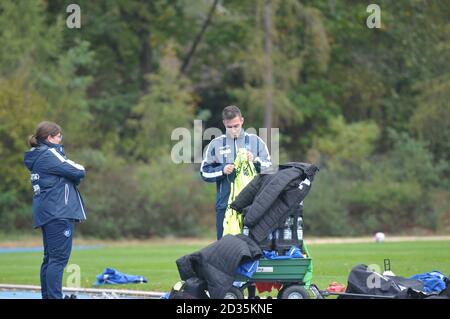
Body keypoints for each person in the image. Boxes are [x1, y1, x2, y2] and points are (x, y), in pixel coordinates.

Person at [23, 121, 87, 299]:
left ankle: (49, 297)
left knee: (50, 259)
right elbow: (78, 170)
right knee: (58, 260)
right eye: (59, 136)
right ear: (50, 137)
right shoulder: (49, 153)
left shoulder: (38, 155)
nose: (61, 139)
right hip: (59, 212)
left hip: (48, 212)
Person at [200, 105, 271, 240]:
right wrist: (222, 170)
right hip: (225, 205)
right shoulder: (215, 144)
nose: (233, 130)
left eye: (236, 126)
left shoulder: (256, 141)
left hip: (252, 204)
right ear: (224, 124)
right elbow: (204, 172)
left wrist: (255, 160)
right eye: (229, 127)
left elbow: (269, 167)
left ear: (242, 121)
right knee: (225, 248)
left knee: (253, 246)